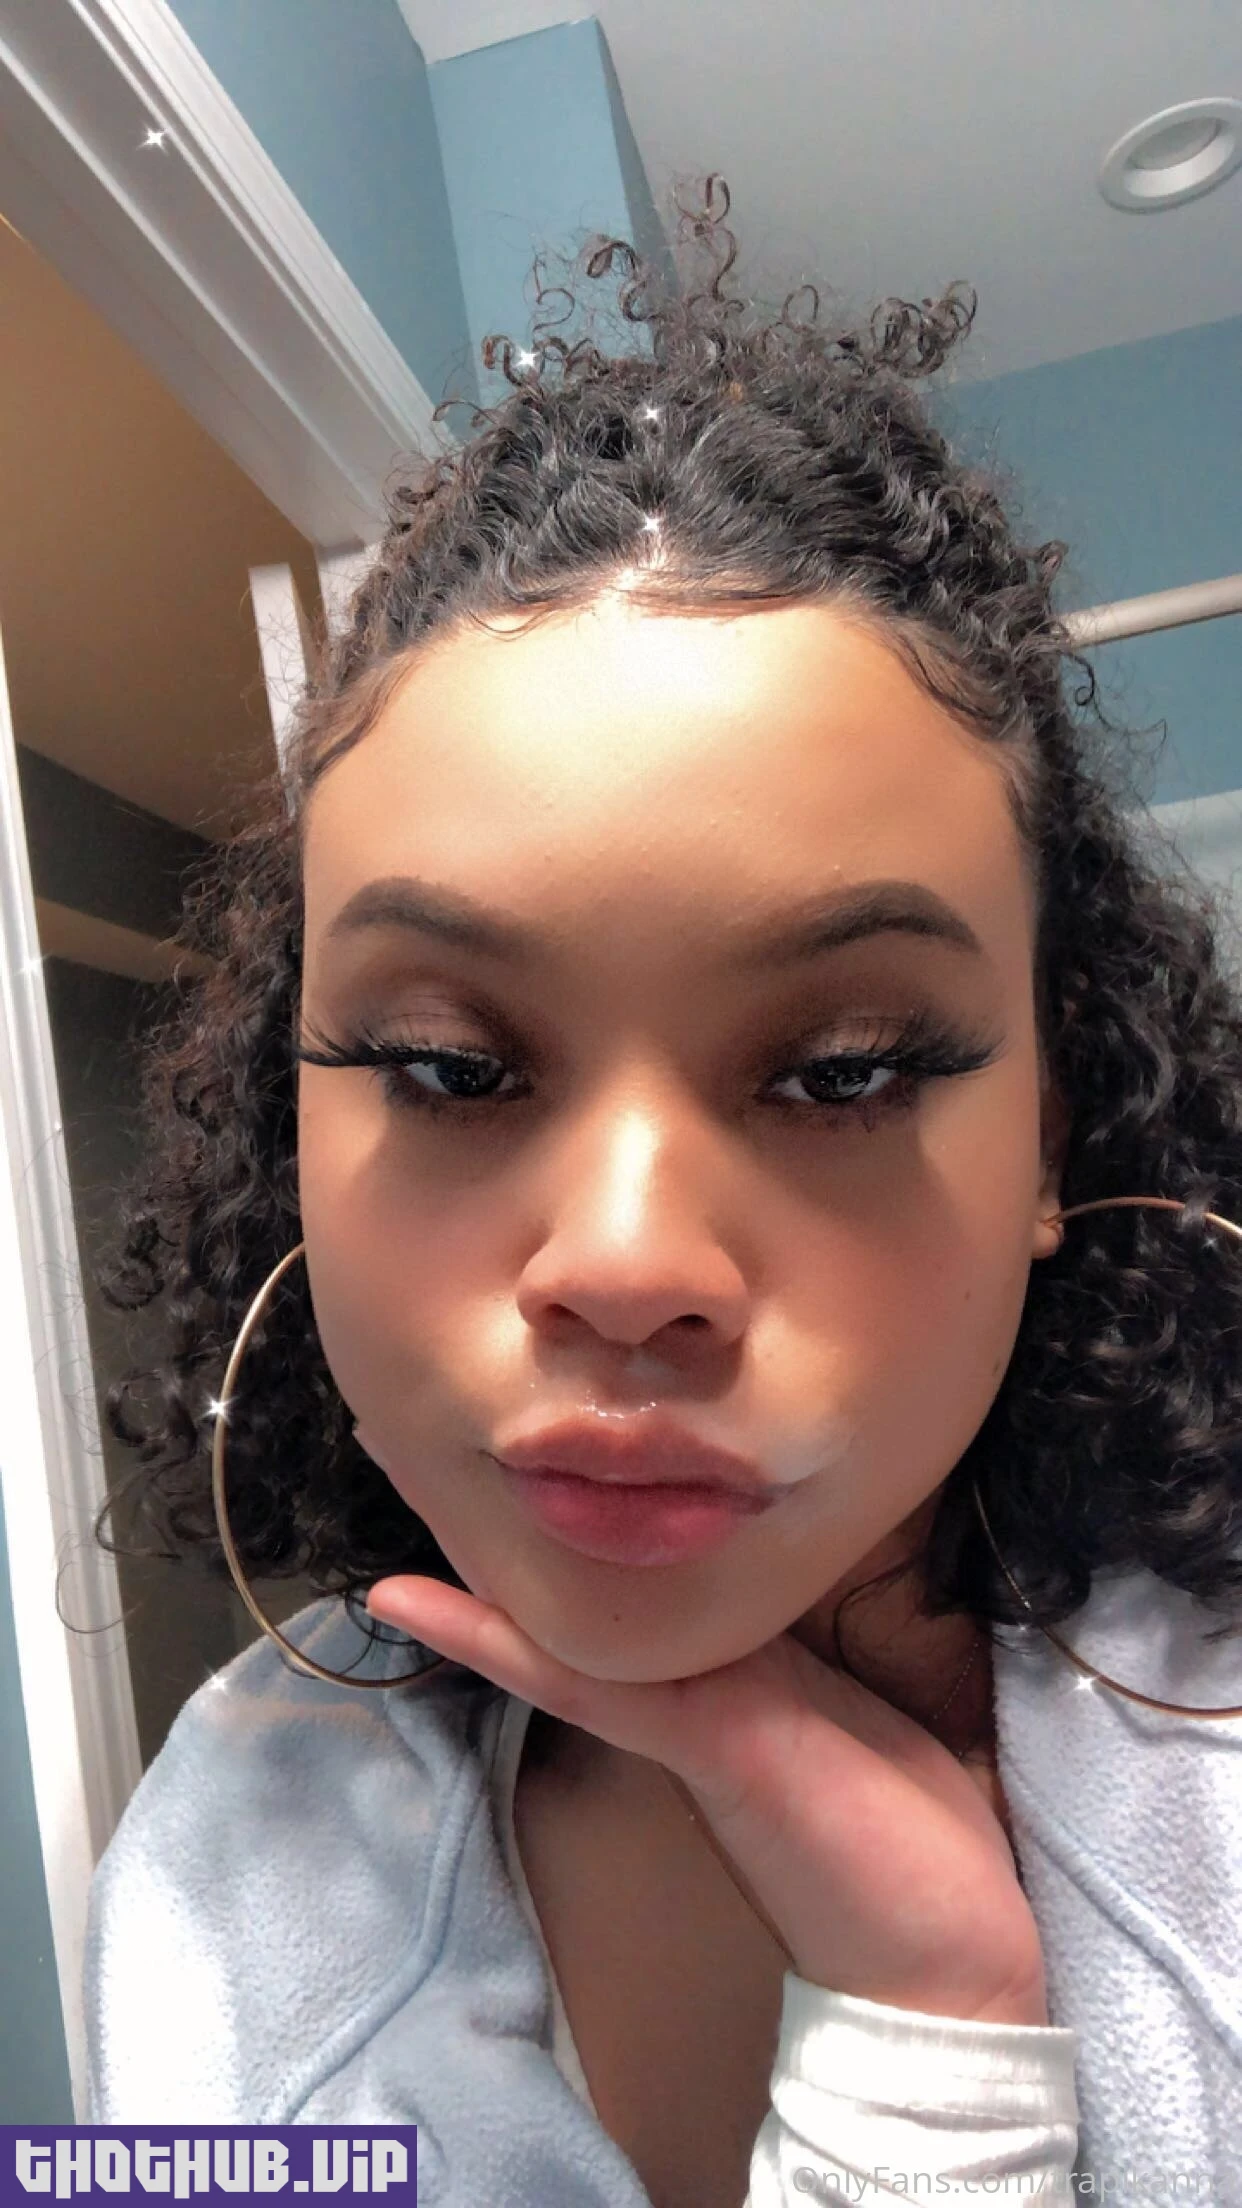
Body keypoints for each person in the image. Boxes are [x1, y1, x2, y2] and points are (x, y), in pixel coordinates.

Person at [83, 179, 1242, 2206]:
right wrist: (927, 2046)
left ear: (1056, 1131)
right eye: (448, 1067)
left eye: (845, 1068)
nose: (625, 1263)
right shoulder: (222, 1849)